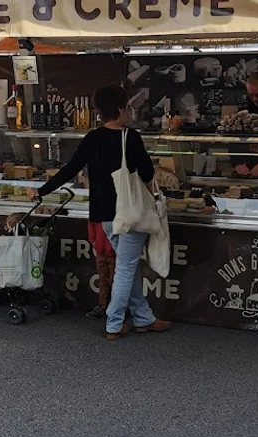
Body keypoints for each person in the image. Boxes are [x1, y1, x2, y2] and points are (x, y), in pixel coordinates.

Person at [33, 84, 170, 340]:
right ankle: (114, 323)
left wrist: (42, 190)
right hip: (130, 214)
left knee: (128, 266)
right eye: (127, 106)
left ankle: (143, 317)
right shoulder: (130, 137)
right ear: (120, 109)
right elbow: (148, 174)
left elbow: (69, 169)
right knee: (127, 268)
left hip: (103, 215)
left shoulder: (92, 138)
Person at [86, 221, 115, 319]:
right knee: (103, 280)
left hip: (114, 251)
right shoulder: (98, 209)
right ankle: (103, 306)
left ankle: (116, 308)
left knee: (115, 281)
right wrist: (94, 241)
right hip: (101, 251)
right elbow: (91, 223)